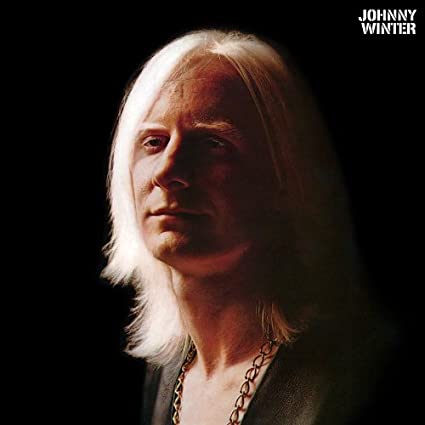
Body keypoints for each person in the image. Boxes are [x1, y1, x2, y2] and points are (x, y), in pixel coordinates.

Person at [102, 29, 395, 424]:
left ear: (285, 174)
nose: (167, 171)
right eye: (154, 142)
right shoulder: (166, 374)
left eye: (211, 144)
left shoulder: (358, 379)